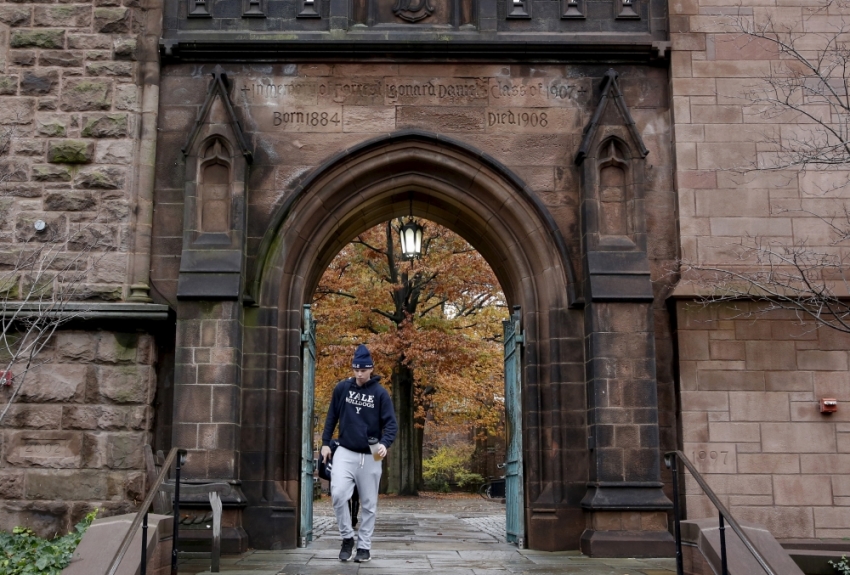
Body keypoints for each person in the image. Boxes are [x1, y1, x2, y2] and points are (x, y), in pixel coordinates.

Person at [320, 344, 397, 563]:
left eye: (363, 369)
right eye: (356, 369)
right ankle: (347, 538)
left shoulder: (381, 394)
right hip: (345, 449)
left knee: (369, 504)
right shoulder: (342, 388)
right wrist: (326, 443)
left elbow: (391, 424)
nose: (359, 373)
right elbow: (331, 416)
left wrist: (385, 443)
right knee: (338, 494)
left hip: (372, 452)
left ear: (371, 369)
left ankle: (364, 547)